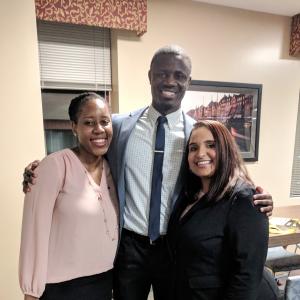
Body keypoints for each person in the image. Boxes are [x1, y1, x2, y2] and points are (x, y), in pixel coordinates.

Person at [22, 45, 273, 300]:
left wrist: (256, 199)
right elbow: (89, 145)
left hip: (173, 247)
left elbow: (221, 168)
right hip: (129, 247)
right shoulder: (119, 126)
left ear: (189, 80)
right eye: (162, 73)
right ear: (150, 76)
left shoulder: (196, 134)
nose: (170, 81)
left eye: (178, 75)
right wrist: (42, 168)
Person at [19, 92, 119, 300]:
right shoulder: (54, 166)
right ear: (74, 127)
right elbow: (34, 233)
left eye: (105, 121)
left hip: (104, 284)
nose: (99, 129)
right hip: (61, 289)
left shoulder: (112, 168)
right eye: (89, 122)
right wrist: (31, 292)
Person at [167, 120, 269, 299]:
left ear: (226, 150)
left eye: (211, 145)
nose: (200, 154)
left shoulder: (245, 200)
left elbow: (246, 278)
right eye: (193, 148)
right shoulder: (188, 195)